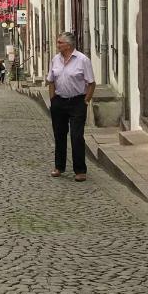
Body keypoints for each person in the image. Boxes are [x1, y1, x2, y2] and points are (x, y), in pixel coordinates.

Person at [46, 32, 96, 182]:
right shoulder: (55, 60)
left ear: (68, 45)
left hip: (77, 102)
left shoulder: (82, 60)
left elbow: (91, 83)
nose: (58, 45)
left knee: (76, 136)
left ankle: (80, 170)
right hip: (59, 101)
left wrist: (85, 101)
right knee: (59, 135)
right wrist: (52, 99)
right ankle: (59, 167)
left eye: (60, 43)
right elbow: (51, 80)